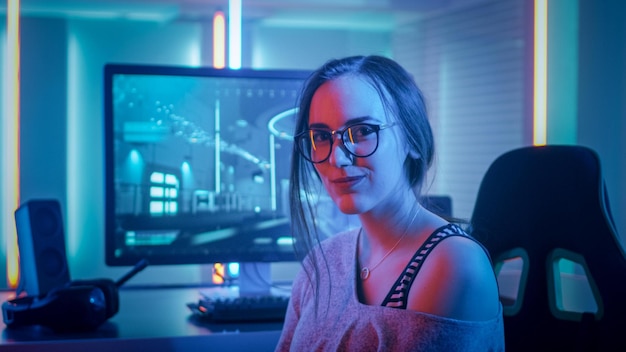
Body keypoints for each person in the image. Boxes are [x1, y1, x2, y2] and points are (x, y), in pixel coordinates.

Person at [275, 55, 504, 351]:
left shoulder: (453, 263)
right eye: (321, 136)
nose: (337, 158)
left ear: (411, 137)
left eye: (362, 131)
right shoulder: (322, 262)